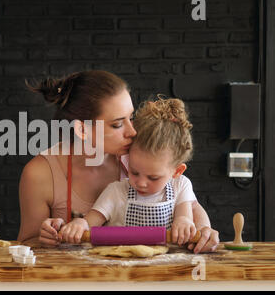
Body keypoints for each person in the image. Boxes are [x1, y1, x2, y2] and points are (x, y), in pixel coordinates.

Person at [18, 70, 219, 253]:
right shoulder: (40, 173)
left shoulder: (135, 156)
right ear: (82, 130)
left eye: (131, 118)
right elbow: (27, 243)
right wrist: (47, 237)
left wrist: (204, 230)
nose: (132, 132)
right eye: (117, 124)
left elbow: (186, 200)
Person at [59, 97, 198, 246]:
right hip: (120, 266)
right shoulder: (116, 192)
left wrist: (184, 222)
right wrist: (79, 224)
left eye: (153, 177)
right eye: (134, 172)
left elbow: (184, 216)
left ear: (177, 171)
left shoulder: (180, 187)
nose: (141, 183)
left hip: (166, 266)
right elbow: (89, 222)